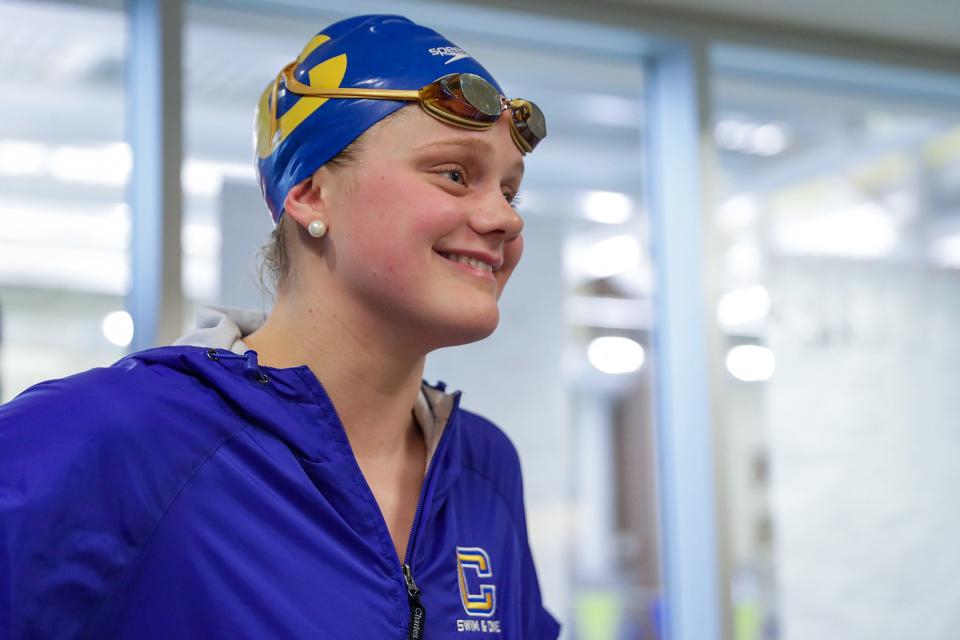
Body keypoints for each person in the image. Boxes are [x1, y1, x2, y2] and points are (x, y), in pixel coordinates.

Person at [0, 14, 559, 640]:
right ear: (312, 193)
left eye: (509, 192)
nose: (504, 221)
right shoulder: (119, 437)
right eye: (454, 174)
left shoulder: (483, 468)